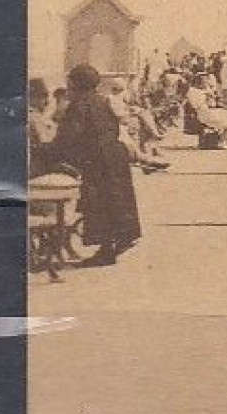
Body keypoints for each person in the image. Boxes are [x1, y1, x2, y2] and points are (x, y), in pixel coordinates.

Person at [51, 64, 142, 266]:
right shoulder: (102, 100)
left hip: (98, 159)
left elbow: (69, 137)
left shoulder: (79, 105)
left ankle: (106, 250)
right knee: (116, 200)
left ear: (76, 83)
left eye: (71, 82)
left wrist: (49, 151)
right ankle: (120, 240)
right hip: (114, 156)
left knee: (99, 204)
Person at [184, 73, 227, 146]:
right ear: (201, 82)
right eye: (205, 82)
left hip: (201, 114)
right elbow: (212, 104)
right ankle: (223, 141)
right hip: (207, 114)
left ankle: (222, 140)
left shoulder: (192, 91)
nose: (207, 83)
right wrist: (211, 97)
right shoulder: (202, 93)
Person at [28, 77, 59, 178]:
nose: (47, 102)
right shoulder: (34, 117)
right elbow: (47, 141)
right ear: (32, 97)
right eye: (43, 97)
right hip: (38, 169)